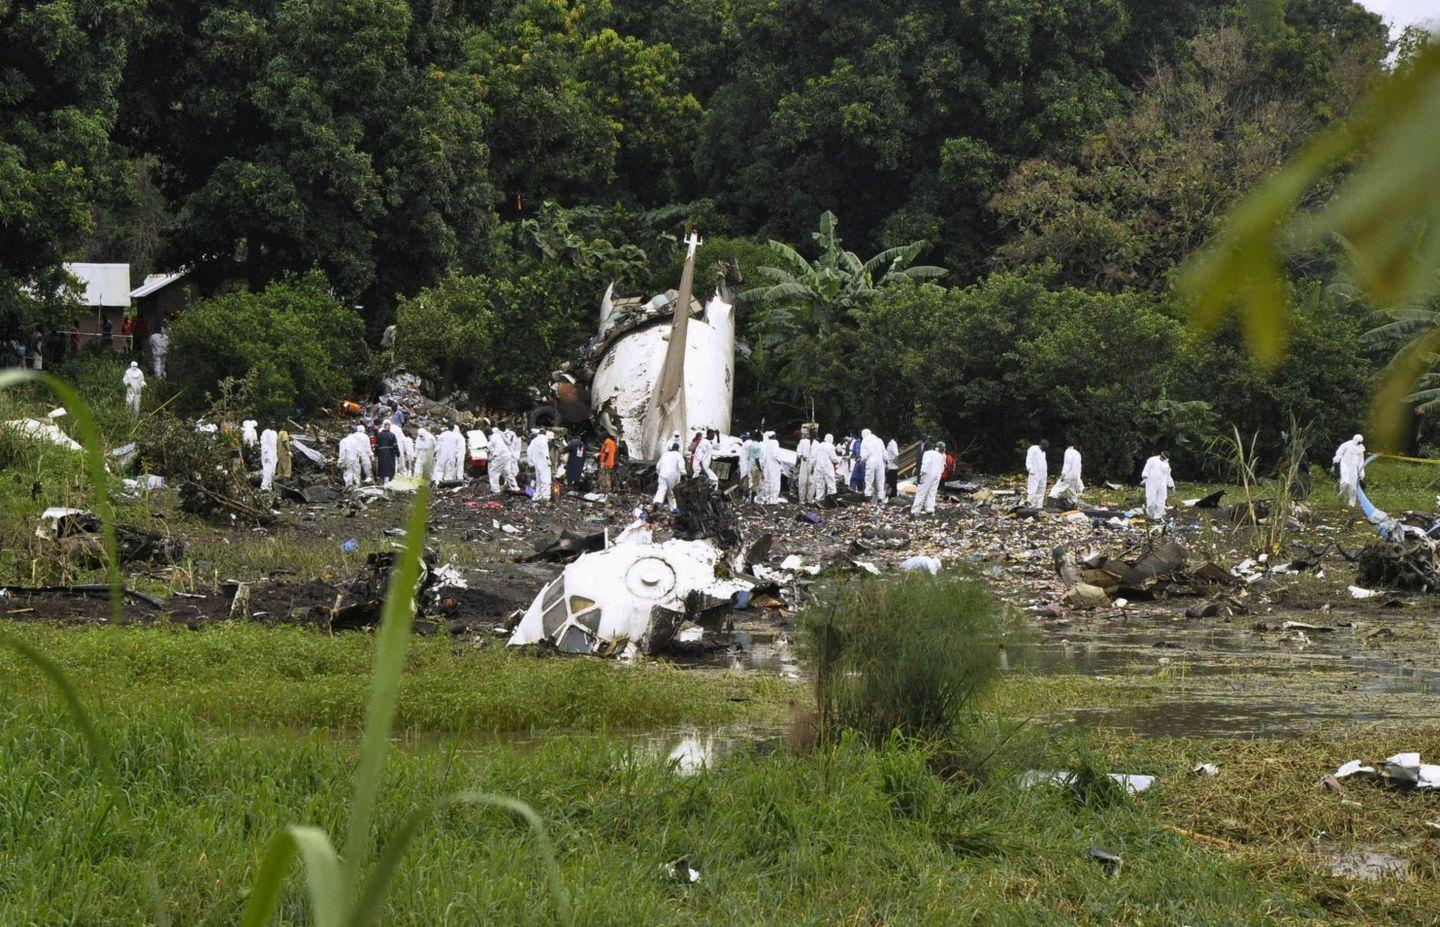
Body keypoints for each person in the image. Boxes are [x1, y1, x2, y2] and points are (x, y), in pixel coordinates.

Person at [912, 442, 946, 515]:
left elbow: (925, 465)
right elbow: (942, 468)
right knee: (932, 493)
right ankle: (930, 509)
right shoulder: (941, 456)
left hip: (927, 475)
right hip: (937, 476)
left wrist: (921, 475)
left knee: (921, 492)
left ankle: (915, 511)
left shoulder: (927, 453)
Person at [1333, 434, 1366, 508]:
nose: (1359, 443)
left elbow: (1361, 462)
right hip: (1345, 465)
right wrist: (1336, 459)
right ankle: (1341, 495)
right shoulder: (1346, 444)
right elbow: (1339, 452)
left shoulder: (1361, 448)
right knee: (1345, 481)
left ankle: (1351, 503)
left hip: (1354, 468)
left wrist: (1361, 474)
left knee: (1353, 486)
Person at [1141, 451, 1174, 522]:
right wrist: (1145, 476)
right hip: (1151, 483)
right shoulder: (1152, 460)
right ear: (1161, 455)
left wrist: (1171, 485)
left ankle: (1157, 516)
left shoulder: (1167, 465)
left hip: (1162, 485)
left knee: (1161, 501)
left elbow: (1168, 476)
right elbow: (1146, 469)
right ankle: (1150, 514)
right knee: (1151, 501)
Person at [654, 440, 685, 508]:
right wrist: (684, 473)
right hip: (672, 476)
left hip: (662, 474)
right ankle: (674, 508)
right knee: (671, 492)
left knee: (661, 489)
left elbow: (658, 466)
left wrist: (658, 473)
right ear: (678, 449)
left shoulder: (665, 454)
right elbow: (681, 467)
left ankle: (657, 502)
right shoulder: (678, 455)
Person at [860, 429, 887, 503]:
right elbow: (885, 454)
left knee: (869, 479)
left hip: (871, 462)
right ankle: (880, 498)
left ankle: (868, 496)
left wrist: (861, 461)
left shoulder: (865, 441)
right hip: (880, 462)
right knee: (880, 480)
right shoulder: (879, 440)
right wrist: (885, 461)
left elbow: (864, 456)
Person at [527, 430, 552, 503]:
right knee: (546, 481)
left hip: (536, 463)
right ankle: (545, 498)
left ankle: (537, 496)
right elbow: (545, 451)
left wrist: (530, 462)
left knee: (538, 481)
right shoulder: (544, 440)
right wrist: (548, 460)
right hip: (543, 463)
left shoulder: (534, 440)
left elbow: (529, 451)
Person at [811, 433, 838, 500]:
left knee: (819, 483)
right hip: (827, 466)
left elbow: (814, 457)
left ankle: (819, 498)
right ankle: (832, 496)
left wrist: (812, 466)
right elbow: (834, 458)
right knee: (830, 481)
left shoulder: (819, 445)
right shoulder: (830, 446)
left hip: (818, 466)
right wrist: (840, 459)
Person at [1025, 440, 1049, 509]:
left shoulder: (1043, 452)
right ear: (1042, 445)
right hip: (1035, 472)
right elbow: (1029, 459)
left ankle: (1038, 505)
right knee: (1033, 489)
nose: (1046, 448)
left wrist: (1045, 473)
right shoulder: (1033, 449)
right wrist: (1030, 469)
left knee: (1041, 489)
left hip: (1042, 473)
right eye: (1045, 446)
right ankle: (1030, 503)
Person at [760, 431, 782, 504]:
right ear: (773, 436)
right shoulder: (775, 442)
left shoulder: (766, 443)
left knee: (767, 481)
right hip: (773, 465)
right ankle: (773, 499)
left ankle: (766, 498)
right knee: (775, 481)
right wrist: (779, 462)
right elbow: (775, 455)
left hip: (767, 465)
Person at [487, 426, 511, 493]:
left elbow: (497, 449)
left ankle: (496, 490)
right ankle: (510, 487)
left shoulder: (493, 437)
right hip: (506, 456)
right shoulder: (498, 436)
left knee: (493, 473)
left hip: (500, 457)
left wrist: (492, 456)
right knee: (506, 472)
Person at [795, 431, 814, 503]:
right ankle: (802, 499)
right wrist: (802, 456)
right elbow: (799, 451)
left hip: (812, 464)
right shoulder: (803, 441)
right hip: (804, 463)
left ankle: (809, 500)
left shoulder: (817, 444)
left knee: (811, 482)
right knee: (803, 481)